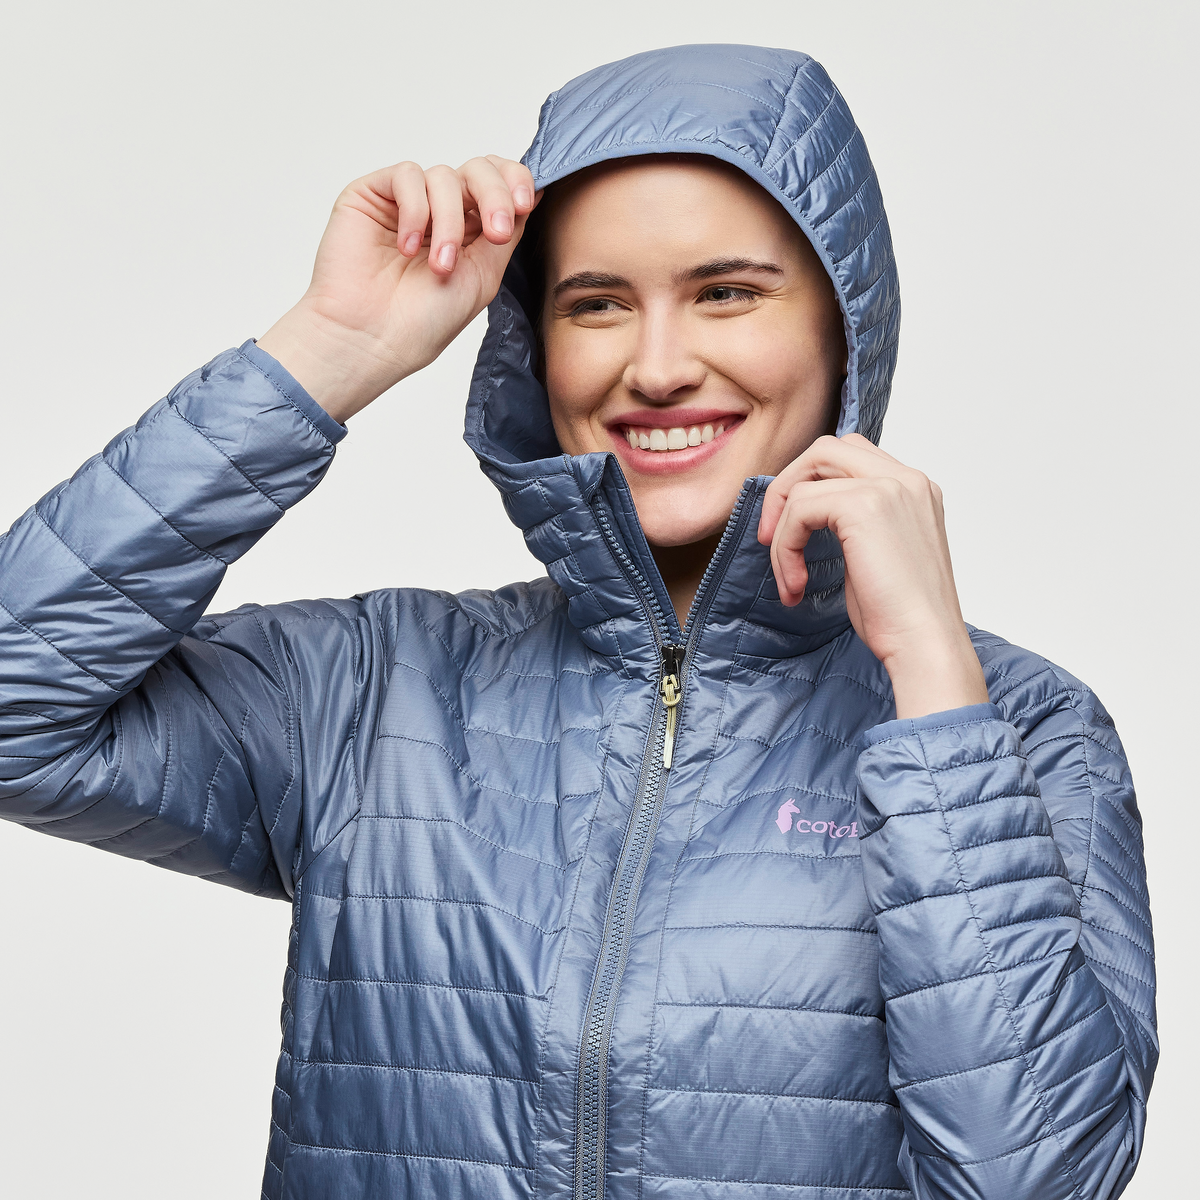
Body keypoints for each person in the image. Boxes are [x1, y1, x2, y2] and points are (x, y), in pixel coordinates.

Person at [0, 43, 1155, 1200]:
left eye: (727, 292)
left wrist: (933, 684)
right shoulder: (373, 689)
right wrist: (328, 351)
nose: (657, 367)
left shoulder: (1017, 728)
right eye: (596, 304)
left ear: (843, 330)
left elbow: (1037, 1179)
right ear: (535, 350)